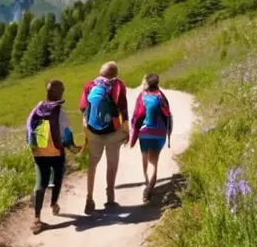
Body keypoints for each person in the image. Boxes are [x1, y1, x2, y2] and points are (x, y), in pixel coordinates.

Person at [26, 79, 79, 235]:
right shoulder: (60, 113)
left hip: (39, 152)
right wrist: (72, 147)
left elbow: (28, 129)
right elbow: (66, 134)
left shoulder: (37, 109)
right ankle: (54, 204)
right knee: (57, 178)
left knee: (40, 182)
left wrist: (33, 147)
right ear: (60, 93)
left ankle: (36, 218)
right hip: (57, 151)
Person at [79, 61, 129, 215]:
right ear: (115, 73)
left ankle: (89, 197)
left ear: (101, 72)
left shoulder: (90, 85)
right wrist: (126, 131)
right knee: (112, 164)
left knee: (92, 165)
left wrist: (87, 127)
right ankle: (110, 197)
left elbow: (82, 107)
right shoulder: (118, 86)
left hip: (93, 132)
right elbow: (124, 110)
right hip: (113, 132)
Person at [129, 73, 172, 203]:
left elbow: (137, 117)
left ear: (145, 83)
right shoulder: (161, 96)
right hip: (159, 132)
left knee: (144, 158)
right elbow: (168, 115)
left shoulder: (142, 96)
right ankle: (150, 188)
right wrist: (168, 134)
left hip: (145, 132)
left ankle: (147, 184)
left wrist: (134, 137)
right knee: (154, 161)